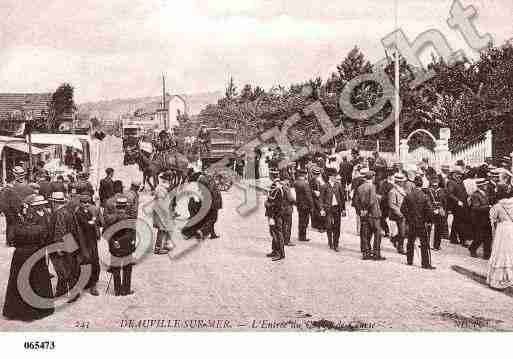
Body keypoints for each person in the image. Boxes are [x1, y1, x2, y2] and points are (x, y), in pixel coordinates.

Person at [2, 194, 55, 322]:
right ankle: (34, 309)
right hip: (36, 253)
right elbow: (47, 235)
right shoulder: (42, 221)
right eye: (37, 205)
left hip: (23, 254)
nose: (40, 207)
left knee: (24, 280)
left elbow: (11, 239)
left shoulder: (19, 223)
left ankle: (17, 310)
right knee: (36, 280)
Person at [49, 191, 80, 302]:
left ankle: (73, 292)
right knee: (68, 266)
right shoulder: (68, 211)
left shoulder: (59, 213)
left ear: (54, 202)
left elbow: (59, 230)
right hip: (70, 241)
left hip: (61, 243)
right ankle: (61, 290)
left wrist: (58, 246)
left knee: (63, 268)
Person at [401, 176, 436, 270]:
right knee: (424, 243)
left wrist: (409, 218)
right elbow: (429, 210)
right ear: (422, 184)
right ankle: (425, 263)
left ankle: (409, 260)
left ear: (414, 184)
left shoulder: (408, 195)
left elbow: (402, 209)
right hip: (421, 223)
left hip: (412, 223)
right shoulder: (425, 196)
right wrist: (428, 221)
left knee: (410, 242)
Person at [105, 197, 136, 296]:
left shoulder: (110, 219)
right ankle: (126, 290)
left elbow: (105, 233)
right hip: (126, 247)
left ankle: (117, 290)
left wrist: (114, 241)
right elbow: (131, 235)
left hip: (115, 248)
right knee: (127, 269)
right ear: (126, 207)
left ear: (116, 206)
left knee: (116, 268)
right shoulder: (129, 218)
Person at [74, 194, 101, 296]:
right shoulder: (78, 213)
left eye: (87, 202)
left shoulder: (88, 211)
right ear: (80, 203)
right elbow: (87, 224)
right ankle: (86, 283)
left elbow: (94, 223)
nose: (86, 204)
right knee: (86, 260)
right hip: (83, 241)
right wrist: (93, 220)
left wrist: (92, 221)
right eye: (83, 202)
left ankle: (93, 283)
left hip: (91, 240)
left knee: (94, 261)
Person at [487, 185, 513, 290]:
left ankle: (498, 279)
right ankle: (510, 278)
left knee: (500, 252)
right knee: (510, 252)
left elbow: (492, 218)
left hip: (502, 229)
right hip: (512, 228)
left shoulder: (498, 205)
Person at [355, 169, 384, 260]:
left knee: (365, 233)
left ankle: (366, 253)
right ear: (373, 177)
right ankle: (376, 253)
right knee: (377, 233)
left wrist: (362, 210)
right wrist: (367, 209)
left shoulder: (360, 187)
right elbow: (371, 201)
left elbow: (356, 201)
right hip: (373, 214)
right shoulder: (372, 187)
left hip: (364, 214)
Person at [320, 167, 346, 251]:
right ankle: (330, 242)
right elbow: (321, 199)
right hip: (328, 208)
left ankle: (336, 244)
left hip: (337, 208)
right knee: (329, 226)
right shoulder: (324, 186)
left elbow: (342, 198)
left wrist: (343, 209)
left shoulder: (338, 185)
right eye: (334, 177)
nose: (336, 178)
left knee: (337, 226)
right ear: (330, 177)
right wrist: (322, 209)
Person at [469, 178, 493, 259]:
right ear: (480, 186)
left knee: (488, 236)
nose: (486, 186)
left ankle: (487, 254)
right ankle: (472, 248)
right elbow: (476, 207)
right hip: (478, 218)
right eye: (484, 185)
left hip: (486, 217)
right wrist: (488, 207)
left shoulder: (485, 193)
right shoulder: (475, 195)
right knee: (479, 236)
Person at [152, 172, 175, 254]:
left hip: (162, 211)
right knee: (161, 229)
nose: (170, 181)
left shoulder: (162, 188)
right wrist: (167, 212)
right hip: (161, 212)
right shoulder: (161, 189)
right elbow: (161, 203)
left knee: (164, 229)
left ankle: (164, 245)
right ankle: (158, 248)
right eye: (169, 179)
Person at [264, 176, 285, 261]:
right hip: (272, 215)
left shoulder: (277, 189)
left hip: (275, 215)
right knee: (273, 233)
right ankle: (275, 250)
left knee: (277, 234)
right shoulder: (275, 187)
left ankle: (280, 253)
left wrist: (267, 205)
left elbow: (277, 204)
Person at [447, 168, 469, 246]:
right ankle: (463, 239)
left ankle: (453, 238)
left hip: (463, 204)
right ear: (453, 174)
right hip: (456, 205)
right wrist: (457, 201)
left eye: (459, 174)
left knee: (456, 222)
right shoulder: (451, 182)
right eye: (456, 174)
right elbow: (450, 194)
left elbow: (464, 192)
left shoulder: (460, 182)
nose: (458, 176)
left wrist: (467, 198)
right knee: (460, 222)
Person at [426, 176, 448, 251]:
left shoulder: (442, 190)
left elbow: (445, 202)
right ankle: (427, 243)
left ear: (439, 182)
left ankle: (437, 245)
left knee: (439, 228)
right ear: (431, 182)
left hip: (440, 210)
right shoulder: (428, 191)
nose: (435, 183)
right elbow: (427, 201)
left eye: (436, 181)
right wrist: (432, 209)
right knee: (429, 228)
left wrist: (442, 209)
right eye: (433, 181)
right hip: (431, 211)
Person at [388, 173, 407, 254]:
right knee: (402, 232)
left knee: (404, 231)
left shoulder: (402, 190)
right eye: (402, 181)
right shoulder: (393, 191)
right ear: (398, 182)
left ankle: (394, 239)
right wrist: (400, 213)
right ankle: (400, 247)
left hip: (403, 213)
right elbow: (392, 205)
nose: (403, 182)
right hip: (398, 214)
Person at [293, 168, 314, 242]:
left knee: (300, 220)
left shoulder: (296, 183)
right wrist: (312, 205)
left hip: (299, 204)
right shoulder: (305, 184)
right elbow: (308, 196)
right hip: (306, 205)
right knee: (305, 221)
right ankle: (303, 236)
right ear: (304, 175)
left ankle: (300, 235)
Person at [280, 173, 295, 246]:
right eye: (288, 180)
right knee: (288, 225)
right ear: (285, 180)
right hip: (287, 209)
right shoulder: (286, 187)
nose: (288, 182)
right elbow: (290, 198)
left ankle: (282, 239)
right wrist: (295, 201)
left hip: (281, 209)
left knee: (282, 224)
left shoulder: (278, 186)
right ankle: (287, 240)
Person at [309, 167, 325, 232]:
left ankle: (319, 225)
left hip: (320, 197)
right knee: (319, 211)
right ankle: (320, 227)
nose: (317, 175)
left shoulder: (318, 179)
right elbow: (309, 189)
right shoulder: (313, 180)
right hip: (316, 198)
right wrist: (314, 192)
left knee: (319, 211)